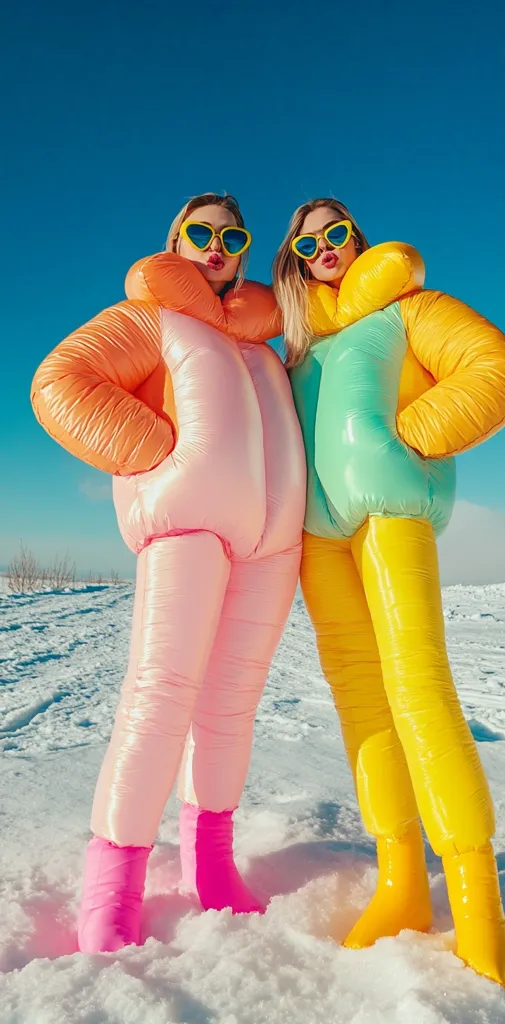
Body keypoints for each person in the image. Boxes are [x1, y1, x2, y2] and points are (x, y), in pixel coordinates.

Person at [31, 193, 306, 953]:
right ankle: (111, 891)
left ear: (247, 251)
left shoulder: (263, 343)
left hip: (273, 544)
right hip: (189, 525)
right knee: (160, 698)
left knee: (229, 709)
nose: (216, 245)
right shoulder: (152, 314)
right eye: (201, 232)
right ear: (175, 239)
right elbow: (59, 383)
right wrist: (160, 455)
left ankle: (210, 869)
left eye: (232, 235)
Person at [272, 198, 505, 988]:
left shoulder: (408, 307)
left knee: (419, 686)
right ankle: (401, 883)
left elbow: (498, 369)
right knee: (361, 701)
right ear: (293, 255)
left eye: (338, 233)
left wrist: (402, 441)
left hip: (389, 517)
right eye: (308, 240)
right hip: (320, 542)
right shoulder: (298, 346)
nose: (325, 249)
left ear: (359, 237)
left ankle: (478, 902)